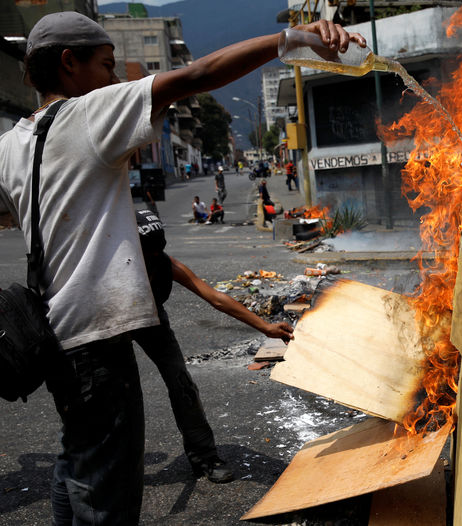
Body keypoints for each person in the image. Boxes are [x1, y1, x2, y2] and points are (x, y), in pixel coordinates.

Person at [0, 10, 363, 524]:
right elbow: (197, 75)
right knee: (105, 497)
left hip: (53, 336)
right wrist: (294, 38)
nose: (114, 79)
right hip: (96, 343)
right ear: (68, 65)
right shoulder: (86, 113)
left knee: (77, 466)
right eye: (105, 65)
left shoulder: (12, 144)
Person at [132, 209, 292, 483]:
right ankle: (115, 465)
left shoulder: (165, 263)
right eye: (145, 254)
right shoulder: (110, 268)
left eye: (156, 254)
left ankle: (203, 456)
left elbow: (215, 298)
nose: (150, 260)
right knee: (122, 395)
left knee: (182, 384)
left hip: (153, 319)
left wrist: (265, 327)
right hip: (111, 323)